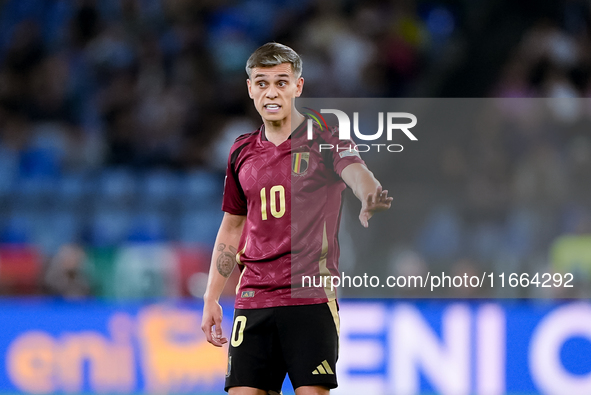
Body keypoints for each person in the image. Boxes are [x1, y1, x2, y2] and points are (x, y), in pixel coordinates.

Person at [201, 42, 392, 395]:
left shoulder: (325, 136)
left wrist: (369, 193)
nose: (271, 92)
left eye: (281, 82)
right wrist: (211, 298)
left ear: (297, 86)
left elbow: (357, 172)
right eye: (261, 83)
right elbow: (231, 227)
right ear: (250, 89)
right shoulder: (241, 150)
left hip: (310, 298)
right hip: (253, 299)